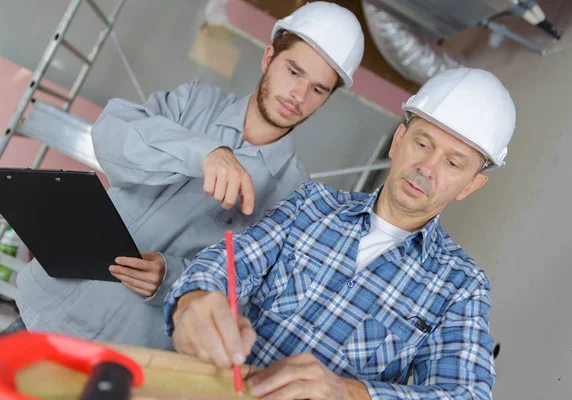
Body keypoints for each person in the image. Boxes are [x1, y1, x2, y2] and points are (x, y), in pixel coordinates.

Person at [9, 2, 365, 349]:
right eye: (294, 71)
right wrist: (203, 153)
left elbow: (249, 298)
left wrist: (172, 278)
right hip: (49, 310)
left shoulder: (296, 195)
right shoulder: (196, 100)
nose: (299, 95)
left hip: (127, 351)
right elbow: (111, 136)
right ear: (269, 57)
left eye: (318, 89)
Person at [164, 67, 516, 399]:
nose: (427, 168)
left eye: (453, 163)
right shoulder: (312, 204)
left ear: (470, 185)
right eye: (423, 144)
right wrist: (194, 300)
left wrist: (346, 392)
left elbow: (464, 394)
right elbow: (231, 262)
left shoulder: (461, 286)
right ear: (398, 142)